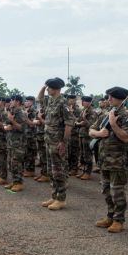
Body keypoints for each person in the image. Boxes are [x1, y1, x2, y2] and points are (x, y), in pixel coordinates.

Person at [89, 87, 128, 232]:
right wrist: (99, 133)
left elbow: (126, 137)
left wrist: (114, 124)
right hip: (104, 160)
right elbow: (91, 130)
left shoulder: (126, 117)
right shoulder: (105, 116)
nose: (108, 100)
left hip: (118, 162)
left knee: (117, 192)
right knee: (106, 190)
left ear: (120, 99)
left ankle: (119, 220)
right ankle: (110, 215)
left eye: (111, 97)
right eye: (108, 97)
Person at [37, 78, 75, 210]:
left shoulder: (62, 103)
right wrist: (44, 85)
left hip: (57, 143)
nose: (47, 90)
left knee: (59, 172)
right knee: (52, 172)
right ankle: (54, 196)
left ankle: (61, 199)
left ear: (56, 89)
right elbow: (39, 98)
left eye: (49, 87)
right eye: (48, 87)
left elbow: (69, 124)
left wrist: (63, 142)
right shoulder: (50, 101)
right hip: (49, 141)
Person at [75, 95, 97, 180]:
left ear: (89, 102)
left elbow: (92, 125)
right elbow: (77, 121)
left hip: (88, 136)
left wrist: (84, 119)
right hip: (81, 135)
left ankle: (88, 172)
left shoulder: (92, 112)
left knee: (88, 154)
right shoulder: (83, 110)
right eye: (83, 101)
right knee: (83, 155)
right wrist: (79, 122)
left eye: (84, 101)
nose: (82, 102)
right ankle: (84, 171)